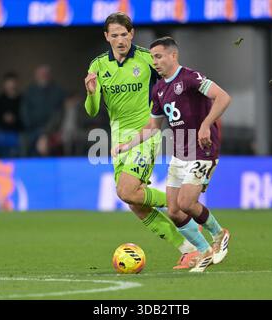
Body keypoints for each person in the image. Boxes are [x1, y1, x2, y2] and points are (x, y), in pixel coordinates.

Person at [84, 13, 198, 269]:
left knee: (126, 190)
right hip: (118, 140)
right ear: (107, 37)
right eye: (114, 35)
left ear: (131, 34)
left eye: (124, 34)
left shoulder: (148, 59)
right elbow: (92, 110)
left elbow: (175, 81)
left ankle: (180, 202)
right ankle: (188, 248)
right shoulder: (98, 65)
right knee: (134, 201)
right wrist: (91, 94)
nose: (120, 40)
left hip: (144, 134)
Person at [112, 37, 232, 272]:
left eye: (159, 56)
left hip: (202, 148)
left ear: (173, 56)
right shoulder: (159, 89)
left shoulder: (190, 77)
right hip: (180, 151)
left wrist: (206, 124)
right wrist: (127, 145)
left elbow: (223, 97)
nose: (155, 62)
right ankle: (204, 251)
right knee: (174, 211)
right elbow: (153, 127)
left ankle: (219, 234)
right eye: (152, 57)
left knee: (186, 202)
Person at [21, 65, 66, 156]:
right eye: (40, 74)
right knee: (28, 144)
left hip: (53, 130)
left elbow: (59, 114)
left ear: (49, 76)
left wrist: (46, 132)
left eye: (45, 74)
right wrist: (32, 128)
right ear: (36, 76)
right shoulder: (29, 92)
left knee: (50, 144)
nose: (43, 76)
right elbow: (24, 113)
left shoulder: (58, 91)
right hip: (32, 129)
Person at [0, 72, 22, 158]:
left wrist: (14, 119)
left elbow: (25, 117)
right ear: (4, 85)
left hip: (17, 132)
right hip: (0, 131)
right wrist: (3, 118)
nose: (11, 86)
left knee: (13, 143)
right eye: (9, 84)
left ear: (17, 84)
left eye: (13, 83)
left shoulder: (22, 100)